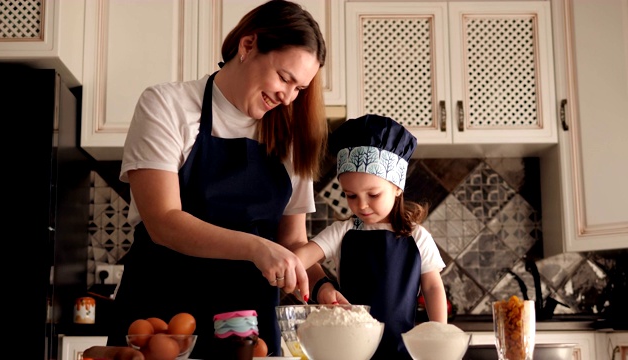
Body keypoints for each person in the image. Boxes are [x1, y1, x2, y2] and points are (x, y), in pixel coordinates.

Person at [105, 1, 341, 358]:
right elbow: (163, 222)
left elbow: (292, 240)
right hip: (162, 315)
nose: (287, 97)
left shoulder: (290, 139)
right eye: (284, 77)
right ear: (247, 46)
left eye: (299, 89)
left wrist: (321, 285)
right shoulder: (167, 105)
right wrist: (256, 248)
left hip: (248, 327)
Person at [294, 114, 448, 359]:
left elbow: (431, 286)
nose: (362, 205)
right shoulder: (343, 232)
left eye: (373, 194)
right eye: (351, 195)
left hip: (402, 352)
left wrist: (439, 336)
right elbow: (299, 258)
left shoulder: (417, 236)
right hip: (349, 352)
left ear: (397, 187)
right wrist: (282, 262)